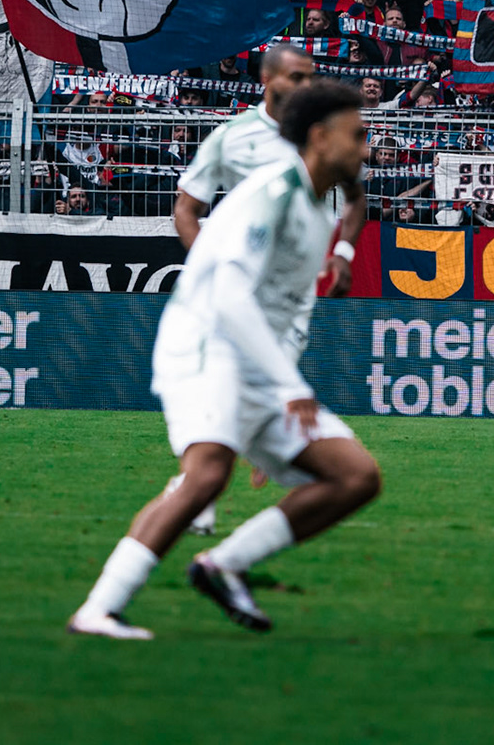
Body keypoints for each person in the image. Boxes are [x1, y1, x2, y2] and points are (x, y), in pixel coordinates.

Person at [68, 79, 379, 640]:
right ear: (319, 137)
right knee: (208, 471)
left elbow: (277, 305)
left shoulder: (313, 205)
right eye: (357, 135)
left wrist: (282, 374)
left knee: (355, 476)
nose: (367, 148)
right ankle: (98, 610)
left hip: (255, 363)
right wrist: (290, 385)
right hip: (206, 345)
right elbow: (231, 297)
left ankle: (223, 563)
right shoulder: (272, 192)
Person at [167, 42, 367, 536]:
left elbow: (356, 198)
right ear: (267, 80)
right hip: (242, 286)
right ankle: (199, 492)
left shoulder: (323, 136)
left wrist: (342, 253)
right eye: (297, 78)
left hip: (294, 292)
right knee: (244, 385)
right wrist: (211, 271)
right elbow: (186, 209)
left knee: (260, 393)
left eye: (311, 77)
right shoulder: (231, 138)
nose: (306, 86)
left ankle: (200, 488)